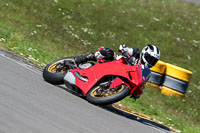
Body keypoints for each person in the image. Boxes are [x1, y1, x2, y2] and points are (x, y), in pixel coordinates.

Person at [75, 44, 160, 69]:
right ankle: (85, 57)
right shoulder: (136, 52)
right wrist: (127, 54)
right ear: (144, 53)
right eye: (150, 59)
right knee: (109, 52)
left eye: (153, 61)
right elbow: (122, 47)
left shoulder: (145, 70)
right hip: (116, 62)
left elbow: (142, 84)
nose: (150, 62)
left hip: (123, 74)